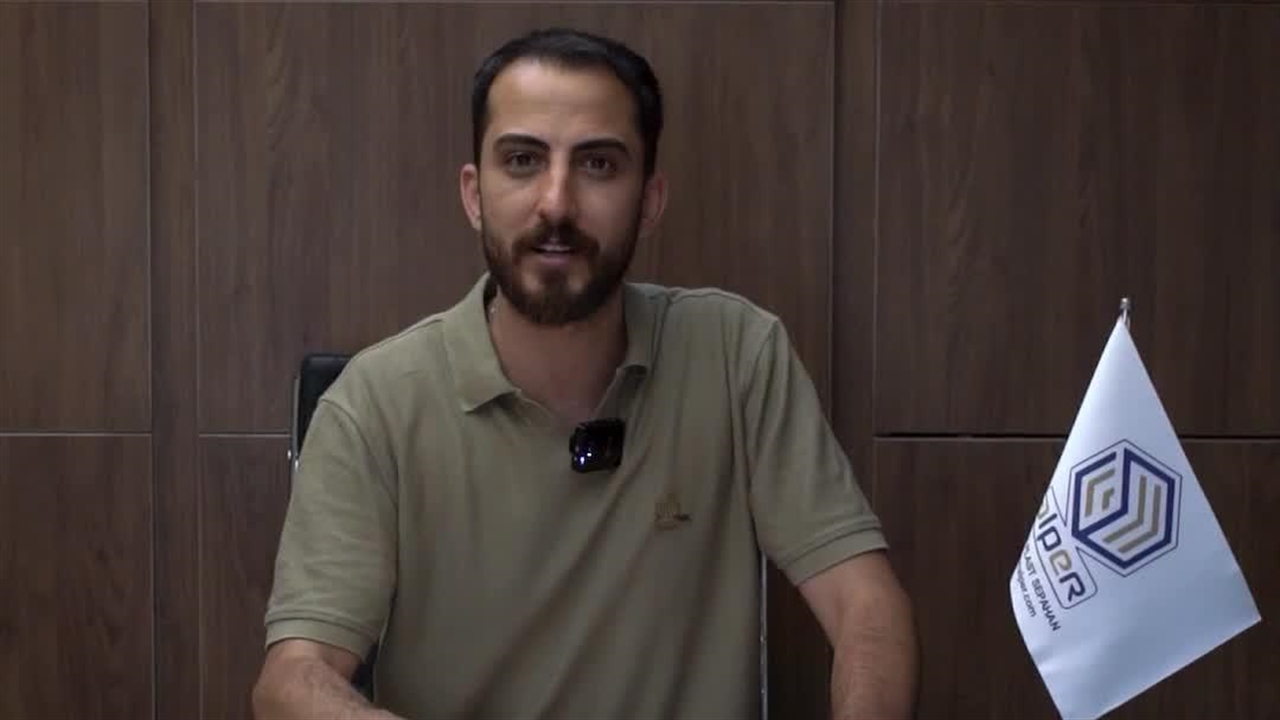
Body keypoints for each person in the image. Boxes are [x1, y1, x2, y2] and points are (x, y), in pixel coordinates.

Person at [251, 27, 918, 720]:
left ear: (650, 200)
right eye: (522, 160)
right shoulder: (374, 403)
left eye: (598, 164)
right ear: (474, 194)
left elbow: (867, 607)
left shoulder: (737, 355)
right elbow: (292, 679)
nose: (556, 204)